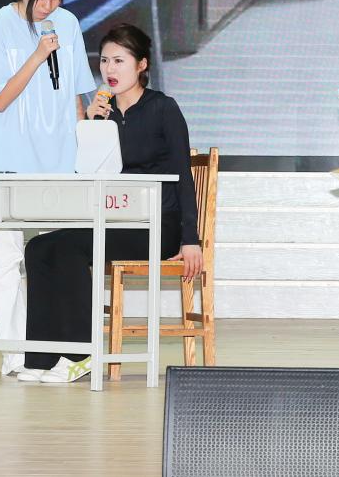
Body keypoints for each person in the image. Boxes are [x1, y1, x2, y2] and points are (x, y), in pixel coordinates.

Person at [19, 24, 204, 383]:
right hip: (115, 220)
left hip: (158, 224)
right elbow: (87, 174)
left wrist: (190, 238)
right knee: (39, 247)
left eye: (119, 60)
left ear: (142, 65)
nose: (109, 69)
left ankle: (80, 355)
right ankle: (42, 357)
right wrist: (91, 126)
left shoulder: (163, 108)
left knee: (70, 248)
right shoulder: (103, 114)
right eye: (104, 60)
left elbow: (183, 175)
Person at [0, 0, 96, 376]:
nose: (48, 5)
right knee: (6, 259)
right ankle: (16, 355)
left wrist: (82, 154)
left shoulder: (69, 23)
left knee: (56, 258)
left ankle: (55, 351)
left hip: (58, 161)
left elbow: (78, 98)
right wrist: (38, 54)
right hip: (8, 160)